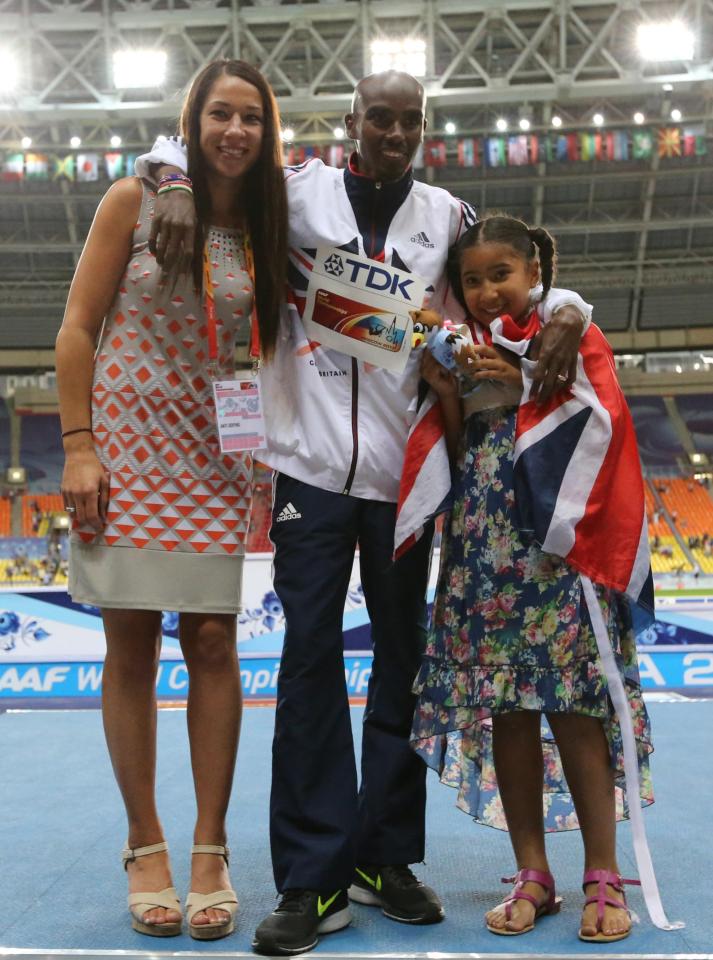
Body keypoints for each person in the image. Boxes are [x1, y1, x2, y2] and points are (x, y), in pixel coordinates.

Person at [136, 70, 591, 956]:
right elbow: (171, 150)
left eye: (406, 122)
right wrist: (183, 188)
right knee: (307, 660)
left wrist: (568, 306)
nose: (391, 133)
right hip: (307, 468)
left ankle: (385, 857)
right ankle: (312, 877)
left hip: (404, 472)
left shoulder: (447, 216)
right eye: (376, 118)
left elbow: (520, 286)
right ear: (350, 121)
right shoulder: (296, 187)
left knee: (402, 662)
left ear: (421, 130)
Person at [56, 59, 288, 940]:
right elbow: (77, 327)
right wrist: (79, 446)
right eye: (219, 115)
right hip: (123, 453)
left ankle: (210, 847)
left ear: (269, 136)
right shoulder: (135, 200)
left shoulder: (274, 221)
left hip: (216, 459)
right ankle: (143, 840)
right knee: (130, 645)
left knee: (215, 639)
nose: (236, 131)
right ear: (191, 122)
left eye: (253, 120)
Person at [411, 215, 653, 944]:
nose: (487, 291)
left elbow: (597, 417)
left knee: (575, 705)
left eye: (500, 275)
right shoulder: (458, 348)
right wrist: (445, 391)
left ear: (533, 272)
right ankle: (531, 872)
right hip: (483, 542)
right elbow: (459, 451)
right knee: (507, 709)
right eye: (473, 281)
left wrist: (526, 379)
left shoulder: (563, 330)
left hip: (556, 544)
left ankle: (603, 875)